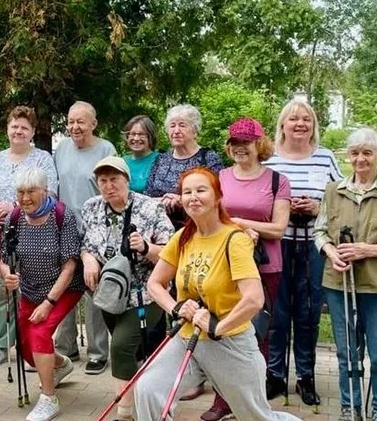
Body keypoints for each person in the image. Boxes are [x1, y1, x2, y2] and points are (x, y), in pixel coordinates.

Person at [136, 168, 300, 421]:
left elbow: (254, 299)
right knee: (148, 390)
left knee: (256, 417)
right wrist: (176, 308)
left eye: (201, 190)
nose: (193, 197)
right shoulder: (182, 238)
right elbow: (155, 284)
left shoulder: (234, 239)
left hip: (230, 343)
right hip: (186, 338)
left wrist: (218, 326)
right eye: (187, 192)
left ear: (218, 197)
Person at [195, 118, 292, 420]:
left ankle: (252, 402)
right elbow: (209, 215)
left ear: (259, 144)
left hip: (264, 267)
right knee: (221, 329)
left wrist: (242, 225)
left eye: (246, 142)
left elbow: (277, 229)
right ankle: (223, 401)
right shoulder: (220, 177)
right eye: (235, 142)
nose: (240, 147)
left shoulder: (277, 180)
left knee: (256, 334)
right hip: (222, 265)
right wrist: (234, 230)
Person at [314, 128, 377, 421]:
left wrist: (368, 250)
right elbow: (319, 232)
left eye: (367, 153)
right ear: (348, 156)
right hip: (338, 282)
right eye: (355, 153)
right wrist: (331, 252)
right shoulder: (333, 190)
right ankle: (350, 408)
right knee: (347, 354)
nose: (360, 159)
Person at [80, 156, 174, 420]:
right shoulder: (92, 207)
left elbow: (170, 254)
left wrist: (146, 248)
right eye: (103, 181)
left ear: (127, 180)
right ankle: (148, 395)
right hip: (108, 294)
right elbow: (86, 243)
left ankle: (124, 413)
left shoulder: (150, 208)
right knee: (136, 351)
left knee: (120, 346)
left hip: (146, 293)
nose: (108, 186)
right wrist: (88, 260)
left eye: (114, 180)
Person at [264, 98, 343, 404]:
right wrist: (282, 209)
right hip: (277, 243)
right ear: (282, 125)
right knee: (277, 312)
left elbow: (341, 200)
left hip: (313, 244)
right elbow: (259, 200)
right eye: (293, 118)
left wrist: (317, 207)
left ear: (314, 126)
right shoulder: (269, 159)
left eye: (306, 119)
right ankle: (275, 375)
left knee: (308, 312)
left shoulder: (325, 158)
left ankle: (306, 376)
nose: (300, 124)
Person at [0, 106, 58, 369]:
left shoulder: (42, 159)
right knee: (0, 288)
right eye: (14, 126)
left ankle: (32, 347)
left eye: (24, 127)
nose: (18, 130)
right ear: (7, 129)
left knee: (29, 289)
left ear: (32, 132)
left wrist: (15, 209)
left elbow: (51, 193)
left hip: (30, 231)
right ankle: (0, 344)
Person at [0, 166, 85, 421]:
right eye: (20, 192)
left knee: (39, 333)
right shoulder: (13, 218)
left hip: (63, 289)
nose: (25, 198)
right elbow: (4, 257)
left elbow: (70, 265)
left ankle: (49, 399)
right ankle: (59, 365)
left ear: (45, 190)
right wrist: (7, 274)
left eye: (31, 191)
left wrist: (49, 302)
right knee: (26, 347)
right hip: (29, 288)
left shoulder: (62, 215)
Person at [52, 101, 116, 375]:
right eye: (70, 121)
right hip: (65, 229)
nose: (75, 127)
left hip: (96, 230)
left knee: (93, 290)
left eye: (81, 121)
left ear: (93, 123)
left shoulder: (106, 150)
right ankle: (65, 347)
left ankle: (98, 352)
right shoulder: (62, 149)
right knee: (65, 287)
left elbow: (112, 190)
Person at [145, 104, 223, 230]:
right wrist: (165, 199)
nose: (176, 131)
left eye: (182, 125)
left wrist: (181, 200)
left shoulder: (208, 158)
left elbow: (217, 196)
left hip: (196, 226)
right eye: (172, 126)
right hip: (160, 228)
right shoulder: (161, 159)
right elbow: (147, 196)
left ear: (195, 130)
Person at [122, 115, 160, 194]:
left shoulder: (160, 160)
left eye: (141, 134)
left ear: (151, 137)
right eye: (132, 134)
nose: (136, 138)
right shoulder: (121, 162)